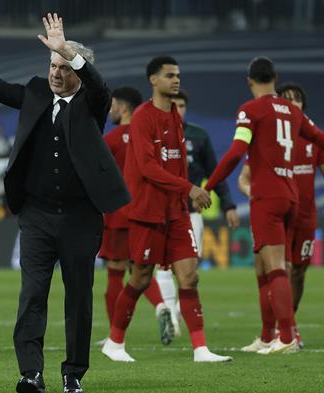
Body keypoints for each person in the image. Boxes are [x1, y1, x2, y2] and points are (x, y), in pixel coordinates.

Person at [0, 11, 129, 393]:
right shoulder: (35, 92)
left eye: (63, 66)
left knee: (78, 298)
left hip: (81, 218)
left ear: (78, 71)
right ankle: (31, 373)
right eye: (52, 64)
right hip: (37, 216)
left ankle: (73, 373)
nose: (55, 73)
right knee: (32, 296)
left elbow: (101, 87)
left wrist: (68, 49)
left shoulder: (92, 103)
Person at [204, 57, 324, 354]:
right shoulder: (293, 113)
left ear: (250, 82)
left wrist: (208, 187)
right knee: (266, 267)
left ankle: (285, 337)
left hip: (267, 197)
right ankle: (266, 336)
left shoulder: (250, 110)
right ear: (275, 78)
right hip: (291, 197)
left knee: (275, 269)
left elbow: (236, 153)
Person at [100, 56, 232, 363]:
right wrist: (190, 188)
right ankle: (115, 343)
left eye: (178, 76)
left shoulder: (175, 114)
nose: (176, 80)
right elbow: (147, 167)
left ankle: (200, 349)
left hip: (176, 212)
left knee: (190, 276)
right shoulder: (144, 117)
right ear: (153, 80)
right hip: (147, 211)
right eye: (170, 75)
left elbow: (177, 163)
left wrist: (186, 196)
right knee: (140, 278)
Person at [238, 82, 324, 350]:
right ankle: (284, 331)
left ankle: (283, 329)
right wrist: (254, 193)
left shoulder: (314, 138)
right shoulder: (269, 138)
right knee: (282, 269)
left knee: (298, 274)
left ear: (303, 105)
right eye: (286, 99)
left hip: (305, 216)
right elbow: (244, 178)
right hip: (277, 213)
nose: (291, 103)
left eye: (296, 99)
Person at [156, 90, 240, 336]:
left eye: (182, 105)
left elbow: (216, 174)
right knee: (163, 266)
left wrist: (229, 205)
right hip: (162, 212)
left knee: (190, 271)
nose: (178, 109)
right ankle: (171, 315)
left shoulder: (198, 136)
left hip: (190, 212)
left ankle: (177, 312)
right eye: (174, 104)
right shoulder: (156, 133)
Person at [99, 86, 173, 346]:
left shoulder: (111, 140)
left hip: (118, 215)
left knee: (116, 274)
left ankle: (114, 336)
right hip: (144, 213)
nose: (111, 110)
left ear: (123, 107)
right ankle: (161, 306)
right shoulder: (150, 137)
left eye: (113, 105)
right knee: (141, 270)